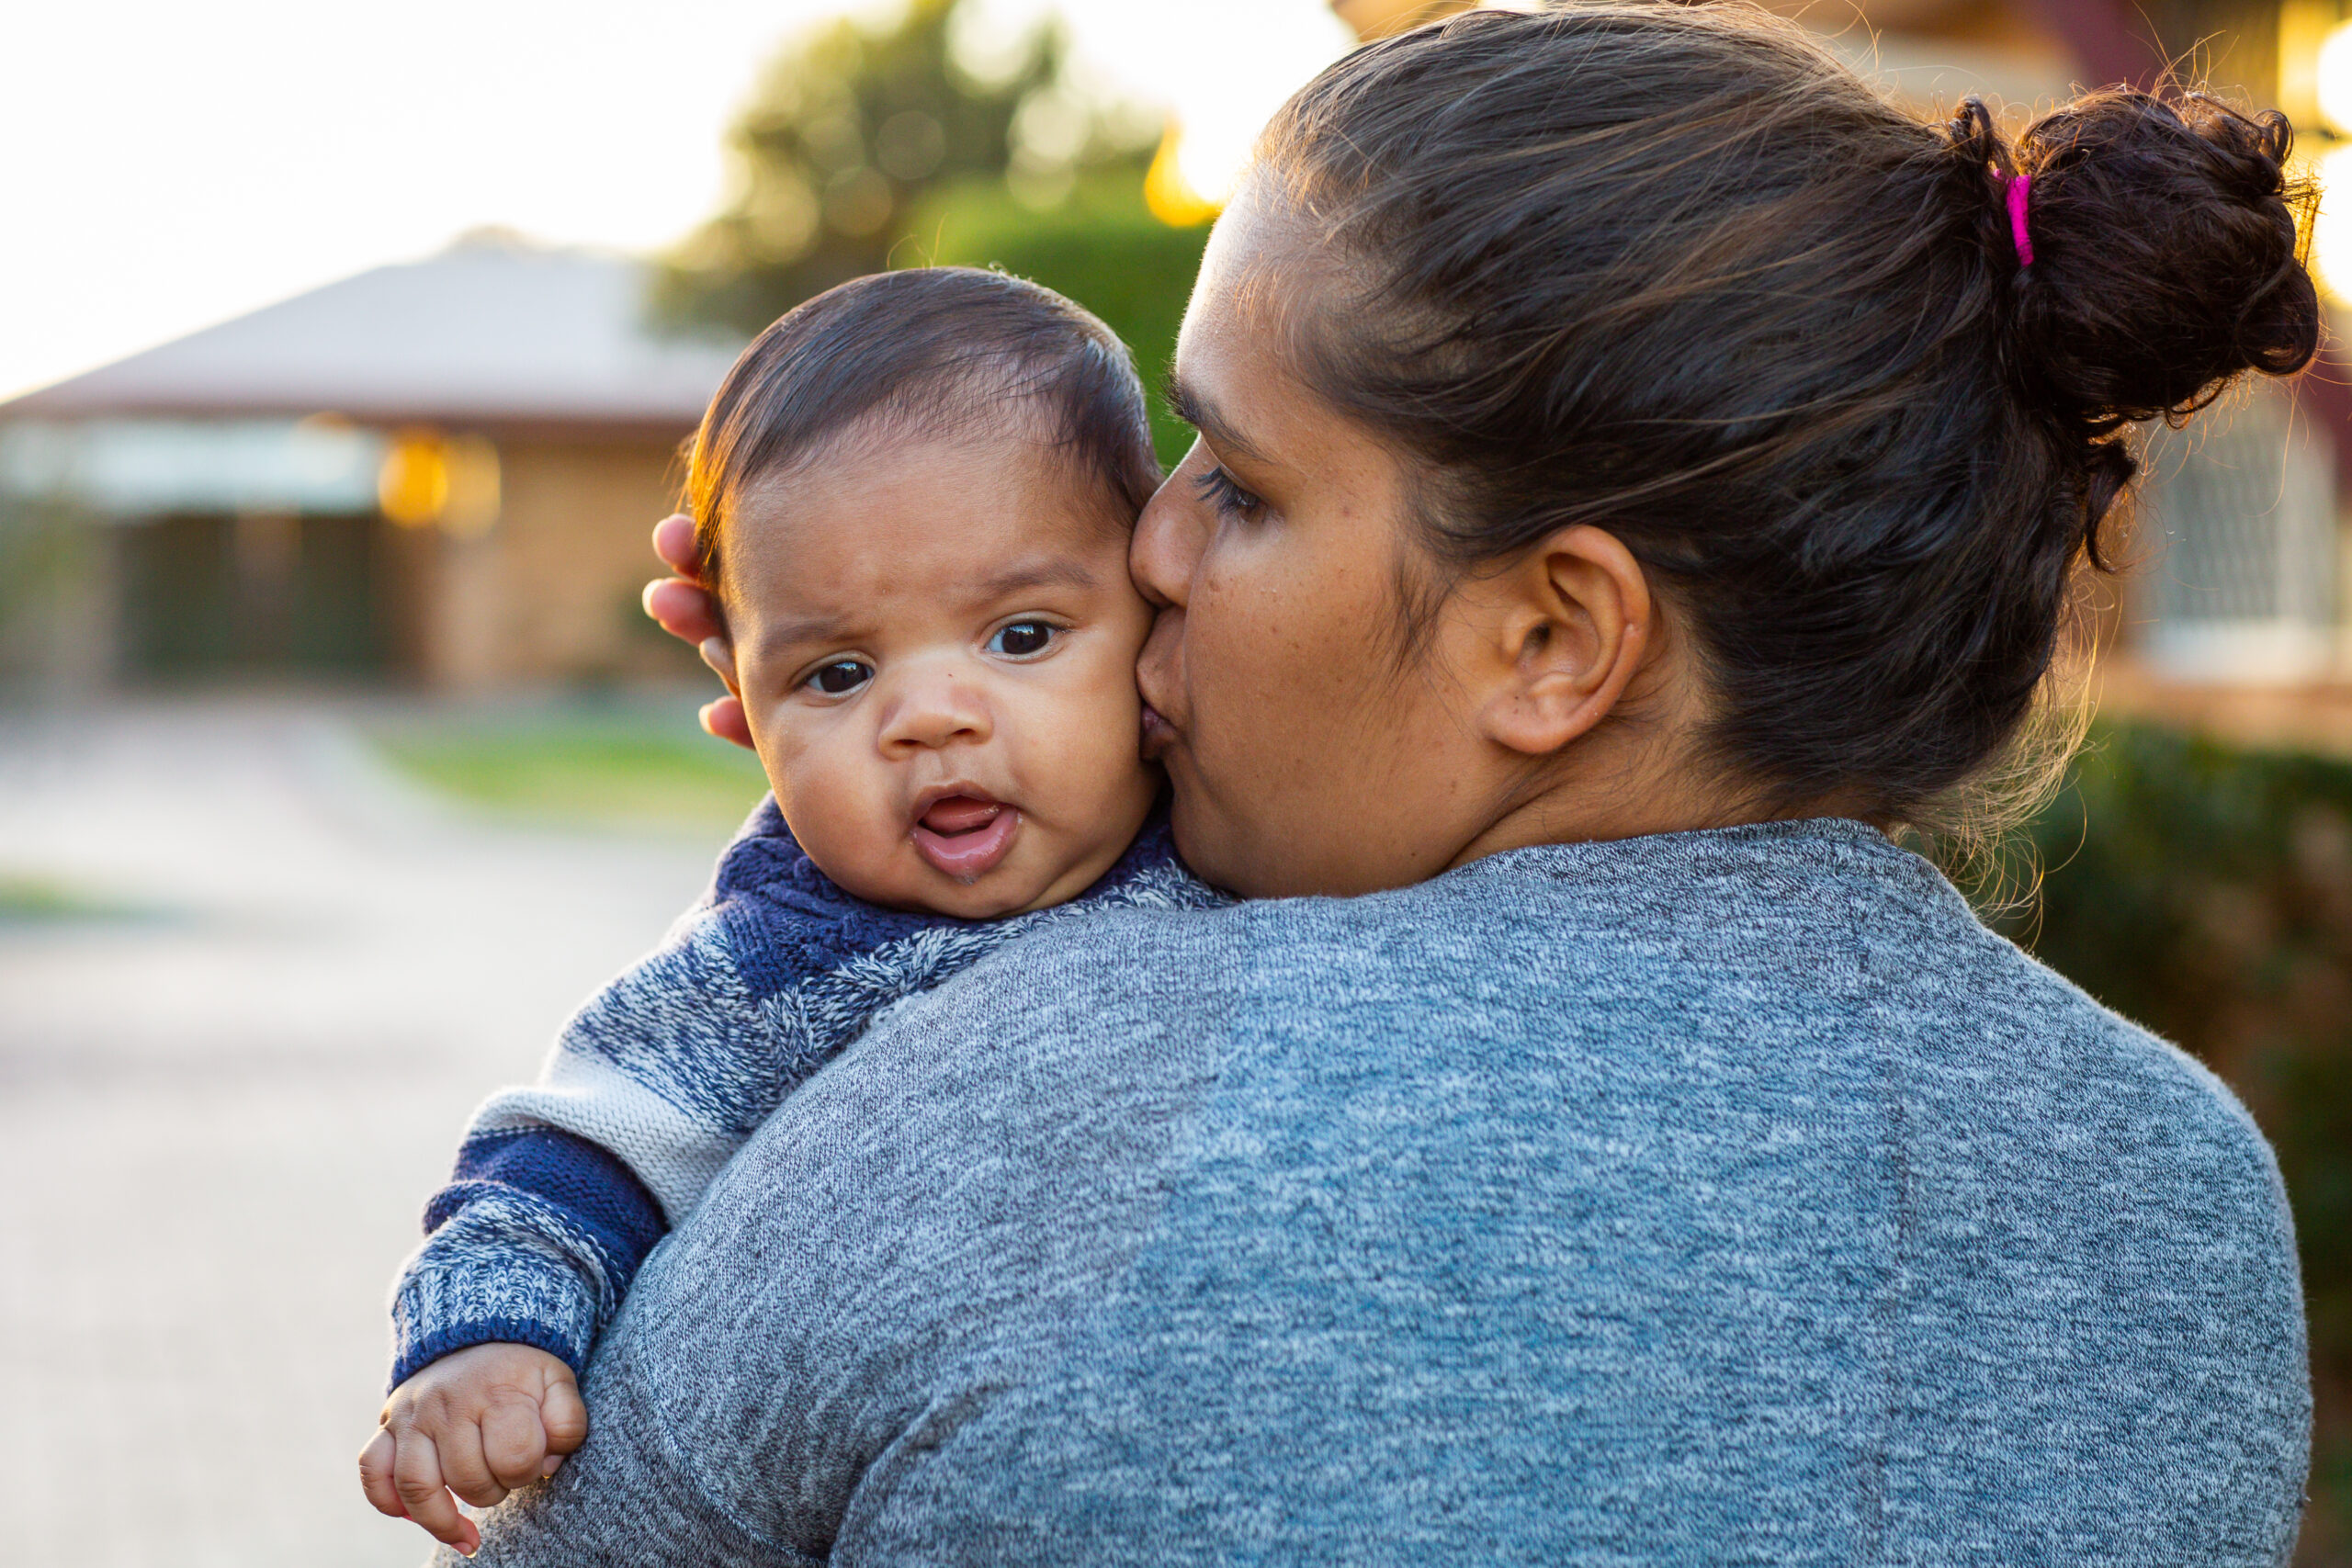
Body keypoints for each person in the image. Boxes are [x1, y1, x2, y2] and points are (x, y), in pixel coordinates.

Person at [429, 4, 2321, 1561]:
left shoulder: (1027, 1090)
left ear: (1551, 642)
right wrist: (922, 679)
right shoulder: (2175, 1191)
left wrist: (828, 881)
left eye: (1235, 484)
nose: (1144, 552)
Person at [358, 268, 1221, 1556]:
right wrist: (488, 1335)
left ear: (1160, 616)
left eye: (1024, 636)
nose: (928, 716)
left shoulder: (1240, 821)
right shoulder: (789, 952)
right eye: (837, 671)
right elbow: (578, 1149)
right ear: (741, 699)